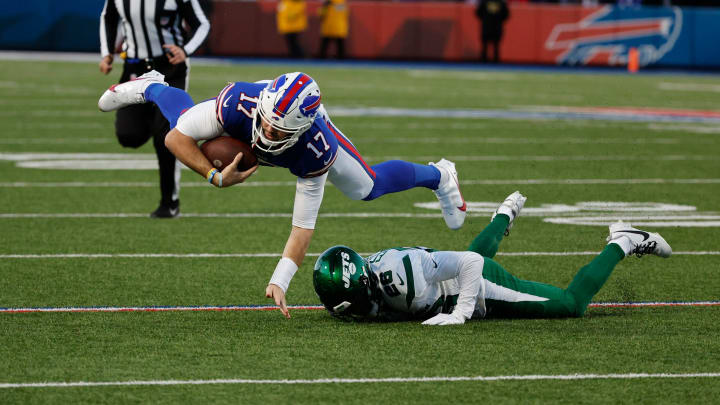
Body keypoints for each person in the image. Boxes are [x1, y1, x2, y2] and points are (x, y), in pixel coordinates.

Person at [97, 71, 467, 319]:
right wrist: (214, 176)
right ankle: (150, 86)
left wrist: (280, 279)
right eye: (267, 125)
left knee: (365, 187)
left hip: (308, 127)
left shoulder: (314, 147)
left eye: (277, 132)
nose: (266, 135)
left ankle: (439, 175)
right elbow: (175, 138)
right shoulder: (241, 102)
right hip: (258, 104)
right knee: (188, 124)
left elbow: (302, 227)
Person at [313, 191, 672, 325]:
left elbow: (472, 265)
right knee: (465, 256)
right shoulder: (372, 276)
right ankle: (505, 212)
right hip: (448, 277)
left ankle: (622, 242)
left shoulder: (405, 278)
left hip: (479, 284)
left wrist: (462, 313)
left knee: (571, 305)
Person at [99, 0, 210, 218]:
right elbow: (108, 18)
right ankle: (156, 122)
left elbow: (202, 24)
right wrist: (107, 53)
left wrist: (185, 51)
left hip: (169, 68)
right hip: (135, 68)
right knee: (128, 135)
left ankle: (169, 202)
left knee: (167, 138)